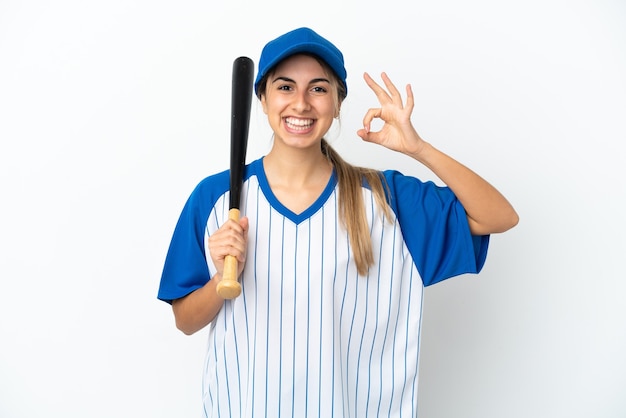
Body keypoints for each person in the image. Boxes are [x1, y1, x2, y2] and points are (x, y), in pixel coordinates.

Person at [158, 27, 518, 417]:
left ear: (337, 102)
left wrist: (418, 148)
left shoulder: (386, 200)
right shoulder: (217, 198)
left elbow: (499, 216)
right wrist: (220, 281)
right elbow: (185, 320)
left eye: (317, 88)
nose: (300, 104)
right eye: (284, 87)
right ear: (262, 99)